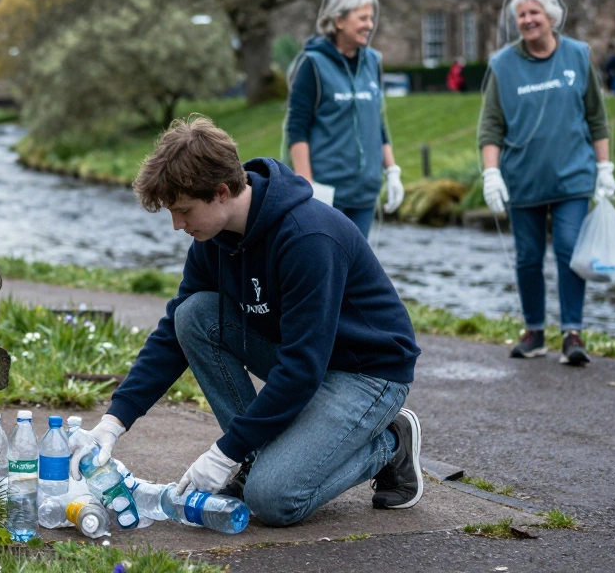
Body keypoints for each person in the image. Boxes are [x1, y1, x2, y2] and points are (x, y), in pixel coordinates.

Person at [69, 117, 423, 527]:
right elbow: (173, 335)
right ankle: (259, 457)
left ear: (221, 192)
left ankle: (391, 443)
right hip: (303, 360)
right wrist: (113, 422)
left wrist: (224, 452)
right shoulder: (213, 240)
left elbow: (301, 368)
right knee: (194, 315)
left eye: (183, 210)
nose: (176, 225)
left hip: (366, 373)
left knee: (272, 500)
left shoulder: (307, 238)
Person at [477, 0, 614, 366]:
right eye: (521, 14)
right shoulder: (503, 65)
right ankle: (534, 331)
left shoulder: (577, 56)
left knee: (570, 249)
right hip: (523, 180)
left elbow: (596, 118)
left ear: (551, 16)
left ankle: (572, 332)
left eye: (534, 12)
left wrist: (605, 168)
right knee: (528, 257)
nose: (527, 20)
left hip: (573, 177)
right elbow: (491, 128)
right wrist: (492, 174)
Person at [284, 0, 404, 238]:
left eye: (371, 18)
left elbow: (377, 122)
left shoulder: (373, 61)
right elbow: (297, 128)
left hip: (364, 194)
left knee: (354, 272)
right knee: (326, 269)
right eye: (362, 18)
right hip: (327, 193)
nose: (370, 25)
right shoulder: (312, 64)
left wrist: (391, 171)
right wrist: (308, 186)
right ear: (339, 21)